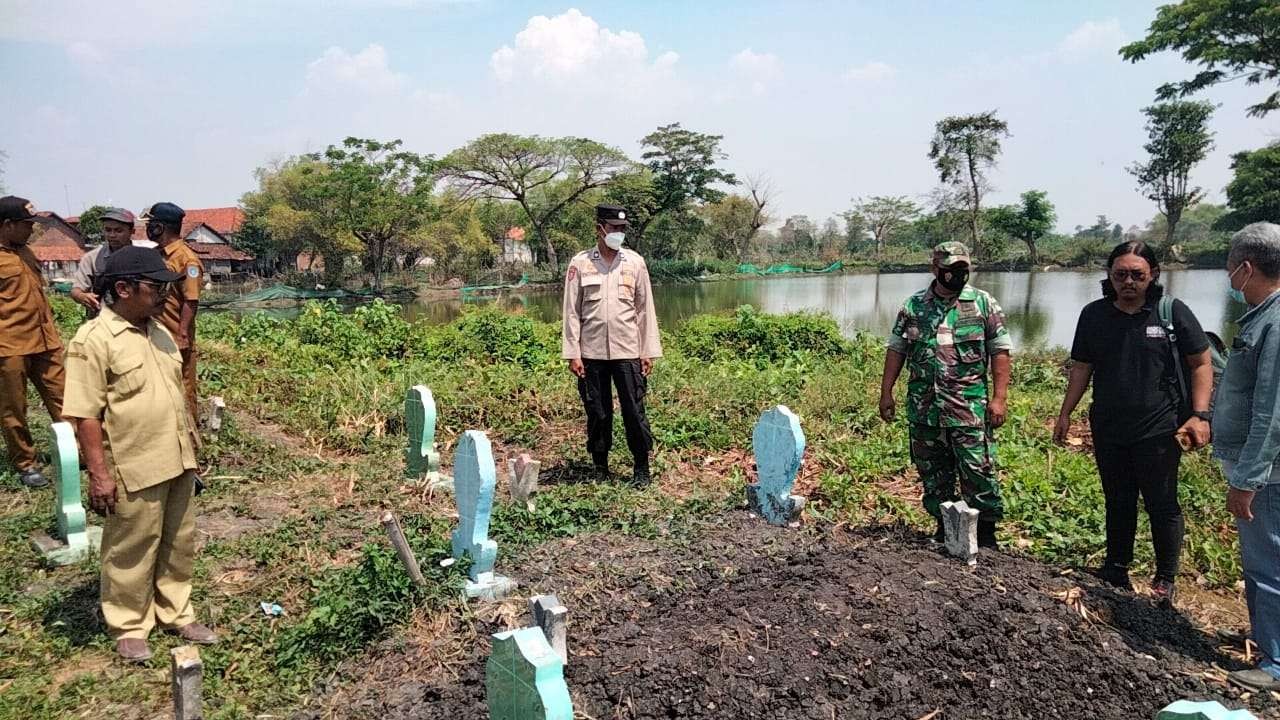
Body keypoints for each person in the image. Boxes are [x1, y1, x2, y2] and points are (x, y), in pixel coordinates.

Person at [62, 245, 215, 662]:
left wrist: (193, 452)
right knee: (131, 548)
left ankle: (176, 611)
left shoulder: (160, 332)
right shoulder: (93, 340)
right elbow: (85, 415)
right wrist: (100, 474)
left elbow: (174, 397)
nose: (166, 294)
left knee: (177, 542)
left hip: (177, 457)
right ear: (124, 289)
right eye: (156, 287)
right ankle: (129, 624)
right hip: (133, 464)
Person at [1054, 241, 1211, 606]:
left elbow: (1201, 363)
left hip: (1160, 427)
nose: (1128, 282)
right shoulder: (1093, 315)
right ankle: (1116, 568)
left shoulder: (1171, 313)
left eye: (1137, 275)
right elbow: (1082, 367)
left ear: (1152, 275)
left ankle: (1165, 579)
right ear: (1109, 275)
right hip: (1109, 426)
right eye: (1121, 274)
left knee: (1161, 502)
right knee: (1118, 499)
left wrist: (1199, 415)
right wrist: (1065, 413)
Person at [880, 241, 1012, 547]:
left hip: (968, 408)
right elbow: (897, 350)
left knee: (977, 470)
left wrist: (999, 398)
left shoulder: (982, 303)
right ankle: (944, 528)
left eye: (961, 269)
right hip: (925, 409)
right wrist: (886, 392)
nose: (955, 274)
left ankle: (986, 535)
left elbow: (1000, 351)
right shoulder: (914, 306)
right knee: (933, 471)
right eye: (949, 269)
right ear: (935, 268)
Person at [1213, 222, 1280, 691]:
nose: (1230, 278)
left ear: (1246, 267)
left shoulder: (1275, 323)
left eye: (1230, 267)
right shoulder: (1262, 315)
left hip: (1267, 475)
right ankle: (1265, 638)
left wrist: (1248, 479)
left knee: (1267, 565)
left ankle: (1274, 664)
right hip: (1262, 470)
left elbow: (1271, 411)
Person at [561, 204, 661, 486]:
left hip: (628, 351)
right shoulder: (580, 264)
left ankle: (641, 467)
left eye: (622, 229)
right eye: (614, 228)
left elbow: (645, 310)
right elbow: (571, 311)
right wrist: (573, 354)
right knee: (598, 411)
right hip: (591, 353)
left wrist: (647, 352)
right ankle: (600, 467)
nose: (619, 234)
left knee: (634, 410)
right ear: (599, 229)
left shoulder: (635, 262)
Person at [0, 196, 65, 488]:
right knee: (13, 408)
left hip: (45, 341)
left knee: (65, 399)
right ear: (7, 225)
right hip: (9, 344)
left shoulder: (26, 252)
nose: (31, 230)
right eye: (27, 225)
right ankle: (25, 462)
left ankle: (78, 452)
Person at [141, 202, 203, 423]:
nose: (147, 228)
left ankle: (190, 438)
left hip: (175, 335)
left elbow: (191, 300)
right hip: (155, 333)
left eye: (151, 224)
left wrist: (183, 335)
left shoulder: (187, 260)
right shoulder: (156, 255)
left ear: (161, 227)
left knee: (183, 388)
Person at [71, 207, 136, 318]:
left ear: (132, 232)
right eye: (108, 230)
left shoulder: (141, 258)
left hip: (134, 320)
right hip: (102, 322)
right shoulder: (92, 258)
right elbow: (76, 290)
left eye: (118, 230)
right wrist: (82, 296)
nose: (112, 235)